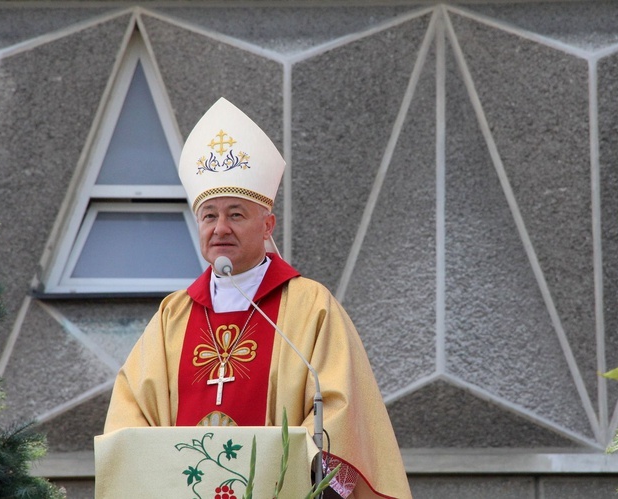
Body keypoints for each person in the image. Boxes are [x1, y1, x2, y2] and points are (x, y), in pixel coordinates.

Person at [103, 97, 412, 498]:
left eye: (236, 214)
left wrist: (277, 472)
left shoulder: (310, 306)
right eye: (209, 215)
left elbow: (339, 410)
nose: (220, 228)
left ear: (267, 225)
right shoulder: (173, 316)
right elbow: (130, 414)